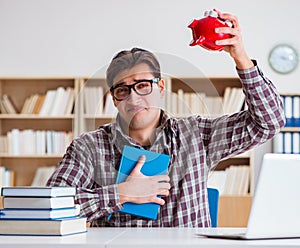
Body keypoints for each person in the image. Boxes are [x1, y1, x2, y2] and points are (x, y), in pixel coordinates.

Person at [47, 10, 285, 227]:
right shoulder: (89, 147)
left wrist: (241, 57)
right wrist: (120, 193)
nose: (134, 98)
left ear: (161, 87)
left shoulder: (197, 135)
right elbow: (49, 207)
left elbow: (269, 122)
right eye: (122, 90)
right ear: (113, 98)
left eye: (143, 85)